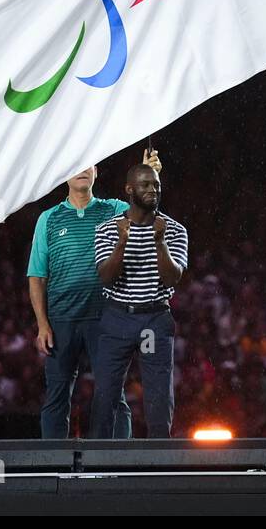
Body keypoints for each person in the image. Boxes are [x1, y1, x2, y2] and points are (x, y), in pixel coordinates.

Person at [28, 149, 161, 438]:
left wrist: (149, 177)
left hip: (106, 320)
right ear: (64, 175)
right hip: (61, 321)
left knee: (113, 393)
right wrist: (42, 324)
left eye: (88, 163)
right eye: (75, 163)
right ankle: (55, 467)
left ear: (96, 172)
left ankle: (117, 465)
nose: (82, 169)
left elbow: (143, 214)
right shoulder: (48, 220)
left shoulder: (112, 210)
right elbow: (37, 277)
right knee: (57, 396)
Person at [89, 163, 188, 438]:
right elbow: (106, 278)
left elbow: (172, 279)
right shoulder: (108, 230)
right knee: (106, 393)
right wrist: (122, 243)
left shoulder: (174, 230)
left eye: (156, 185)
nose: (152, 190)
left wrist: (160, 242)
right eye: (145, 185)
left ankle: (159, 465)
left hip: (155, 317)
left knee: (159, 397)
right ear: (129, 189)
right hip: (117, 315)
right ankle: (97, 464)